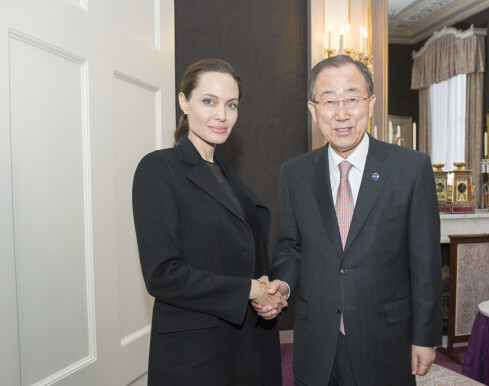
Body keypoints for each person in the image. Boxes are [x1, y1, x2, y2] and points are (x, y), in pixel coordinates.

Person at [256, 55, 442, 385]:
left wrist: (425, 336)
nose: (341, 113)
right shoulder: (295, 173)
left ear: (370, 104)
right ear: (313, 109)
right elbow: (290, 245)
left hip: (386, 339)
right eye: (329, 101)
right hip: (317, 339)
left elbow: (425, 261)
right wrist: (282, 284)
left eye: (352, 99)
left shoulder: (410, 168)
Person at [132, 59, 285, 385]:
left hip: (247, 345)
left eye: (231, 105)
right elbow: (162, 275)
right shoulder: (159, 169)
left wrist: (267, 293)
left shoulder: (229, 176)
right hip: (194, 356)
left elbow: (243, 255)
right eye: (208, 101)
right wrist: (250, 289)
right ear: (184, 102)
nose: (222, 115)